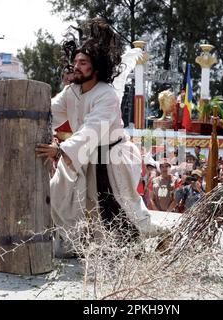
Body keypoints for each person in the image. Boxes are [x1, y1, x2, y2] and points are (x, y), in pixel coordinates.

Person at [34, 18, 165, 256]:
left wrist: (62, 150)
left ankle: (163, 236)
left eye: (83, 63)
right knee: (59, 194)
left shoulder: (106, 95)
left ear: (96, 67)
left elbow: (92, 130)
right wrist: (9, 118)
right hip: (82, 154)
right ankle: (73, 244)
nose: (76, 66)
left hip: (111, 159)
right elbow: (47, 111)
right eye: (75, 62)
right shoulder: (71, 91)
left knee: (124, 210)